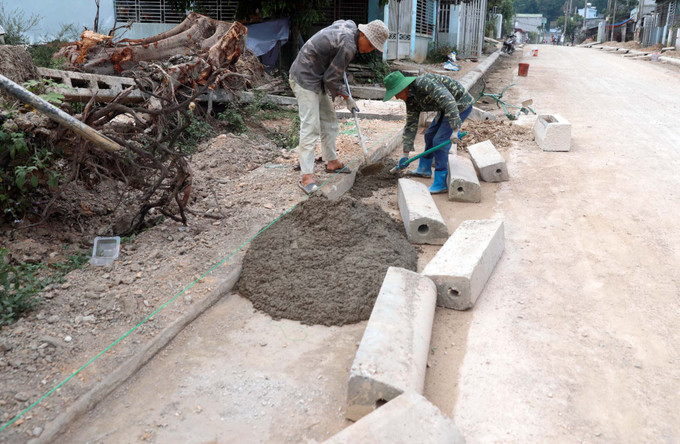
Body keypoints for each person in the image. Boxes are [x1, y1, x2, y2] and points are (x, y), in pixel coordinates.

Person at [289, 19, 389, 194]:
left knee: (329, 120)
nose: (370, 50)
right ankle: (306, 177)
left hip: (317, 76)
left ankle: (332, 161)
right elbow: (331, 79)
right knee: (311, 126)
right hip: (304, 76)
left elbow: (341, 21)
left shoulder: (351, 27)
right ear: (363, 35)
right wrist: (348, 98)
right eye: (371, 45)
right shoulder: (348, 46)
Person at [383, 71, 474, 194]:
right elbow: (410, 125)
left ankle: (441, 182)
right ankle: (424, 169)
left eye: (396, 93)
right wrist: (405, 155)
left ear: (403, 88)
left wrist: (455, 129)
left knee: (439, 141)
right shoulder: (410, 99)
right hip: (444, 108)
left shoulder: (423, 83)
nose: (396, 97)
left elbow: (449, 101)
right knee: (429, 135)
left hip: (459, 104)